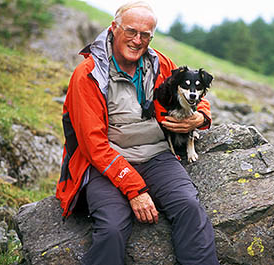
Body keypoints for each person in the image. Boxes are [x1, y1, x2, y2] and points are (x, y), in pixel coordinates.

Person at [55, 1, 219, 264]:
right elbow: (93, 144)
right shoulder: (88, 74)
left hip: (157, 156)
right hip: (104, 165)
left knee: (189, 207)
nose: (137, 40)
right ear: (114, 28)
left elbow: (193, 95)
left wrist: (200, 117)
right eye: (131, 31)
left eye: (145, 35)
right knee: (111, 229)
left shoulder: (159, 63)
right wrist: (135, 190)